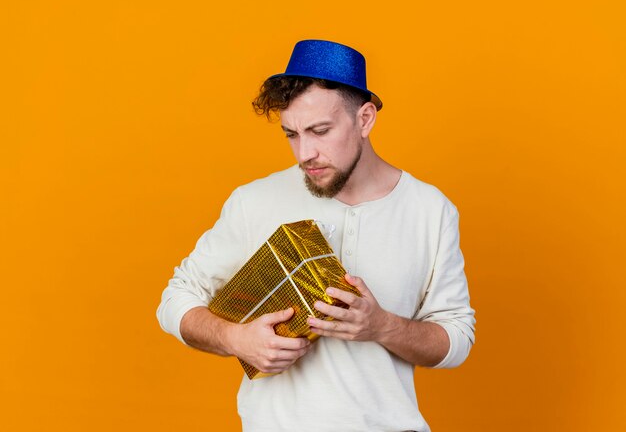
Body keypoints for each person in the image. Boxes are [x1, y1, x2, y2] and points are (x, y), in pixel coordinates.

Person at [157, 39, 475, 432]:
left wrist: (381, 326)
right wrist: (236, 339)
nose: (305, 152)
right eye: (292, 134)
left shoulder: (430, 210)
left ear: (365, 119)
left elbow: (456, 337)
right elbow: (175, 299)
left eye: (320, 131)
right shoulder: (255, 200)